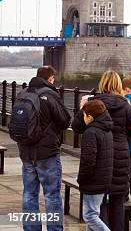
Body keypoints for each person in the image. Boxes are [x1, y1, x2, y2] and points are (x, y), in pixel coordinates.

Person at [72, 71, 131, 231]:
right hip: (120, 157)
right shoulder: (125, 105)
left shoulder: (93, 103)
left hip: (99, 155)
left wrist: (82, 107)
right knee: (118, 201)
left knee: (99, 203)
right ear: (118, 85)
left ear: (101, 84)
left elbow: (76, 127)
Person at [10, 66, 71, 231]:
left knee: (29, 194)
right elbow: (65, 121)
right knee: (52, 195)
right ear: (50, 78)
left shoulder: (22, 94)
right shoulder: (50, 95)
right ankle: (54, 229)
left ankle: (30, 228)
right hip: (47, 154)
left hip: (26, 152)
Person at [78, 100, 113, 231]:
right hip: (103, 179)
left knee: (90, 216)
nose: (83, 118)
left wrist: (82, 179)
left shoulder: (91, 132)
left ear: (90, 117)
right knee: (94, 214)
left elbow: (88, 161)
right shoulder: (107, 130)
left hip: (93, 180)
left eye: (84, 115)